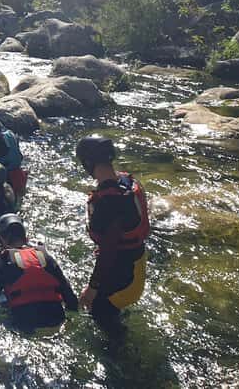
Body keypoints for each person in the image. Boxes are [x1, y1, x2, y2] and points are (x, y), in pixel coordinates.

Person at [75, 135, 150, 330]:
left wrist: (91, 290)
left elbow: (108, 252)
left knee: (100, 315)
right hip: (137, 264)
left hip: (127, 279)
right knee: (110, 313)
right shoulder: (126, 182)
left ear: (88, 163)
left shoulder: (108, 203)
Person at [0, 214, 78, 331]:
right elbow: (71, 299)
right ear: (26, 238)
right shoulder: (45, 257)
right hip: (56, 319)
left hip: (25, 323)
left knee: (2, 308)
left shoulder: (2, 263)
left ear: (0, 240)